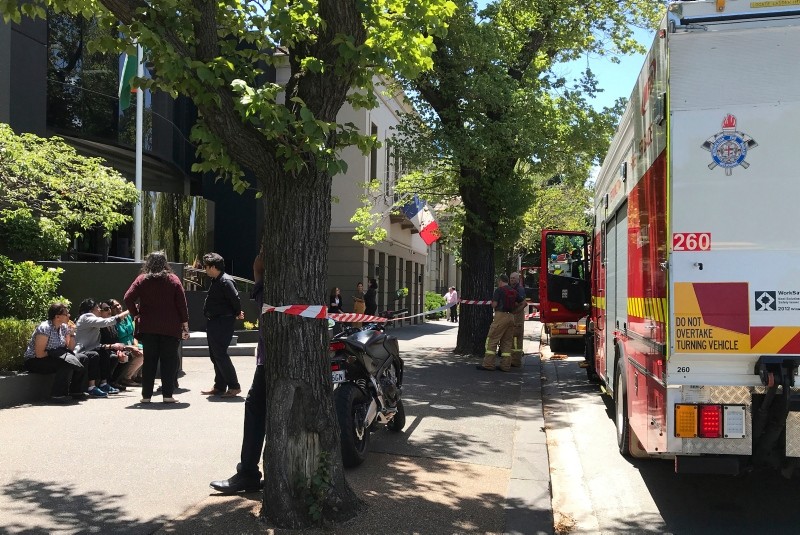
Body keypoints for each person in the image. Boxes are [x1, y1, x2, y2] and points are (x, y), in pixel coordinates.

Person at [210, 249, 267, 494]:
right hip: (275, 359)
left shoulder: (266, 289)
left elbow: (258, 267)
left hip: (269, 361)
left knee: (255, 407)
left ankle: (248, 473)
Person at [124, 250, 190, 404]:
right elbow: (182, 304)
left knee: (149, 362)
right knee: (169, 361)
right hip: (170, 328)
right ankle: (168, 395)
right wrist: (185, 325)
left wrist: (136, 314)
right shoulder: (173, 280)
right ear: (165, 263)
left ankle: (146, 396)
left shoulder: (142, 279)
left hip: (148, 328)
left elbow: (128, 297)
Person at [23, 303, 88, 403]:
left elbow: (70, 348)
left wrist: (72, 334)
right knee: (65, 362)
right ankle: (57, 395)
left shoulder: (64, 328)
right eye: (66, 314)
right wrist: (56, 354)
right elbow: (39, 354)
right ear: (57, 316)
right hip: (35, 360)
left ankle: (76, 391)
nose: (69, 316)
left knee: (82, 358)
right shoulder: (44, 328)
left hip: (55, 356)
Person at [201, 252, 244, 398]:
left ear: (213, 267)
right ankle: (219, 385)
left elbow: (235, 298)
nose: (205, 269)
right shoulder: (217, 280)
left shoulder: (226, 281)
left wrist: (238, 312)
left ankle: (234, 386)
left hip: (222, 322)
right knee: (215, 355)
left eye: (206, 267)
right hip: (215, 321)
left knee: (220, 354)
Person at [74, 298, 130, 397]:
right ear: (91, 311)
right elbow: (108, 321)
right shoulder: (86, 317)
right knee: (94, 355)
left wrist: (112, 347)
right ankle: (91, 387)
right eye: (97, 308)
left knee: (104, 352)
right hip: (82, 351)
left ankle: (103, 384)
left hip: (91, 348)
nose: (99, 310)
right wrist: (129, 311)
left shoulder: (93, 321)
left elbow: (97, 344)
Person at [477, 274, 517, 372]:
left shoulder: (499, 290)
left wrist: (492, 304)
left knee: (492, 339)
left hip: (500, 316)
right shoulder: (513, 291)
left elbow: (494, 304)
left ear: (500, 281)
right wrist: (515, 311)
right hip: (511, 317)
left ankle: (488, 364)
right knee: (507, 342)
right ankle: (505, 366)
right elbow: (523, 303)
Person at [103, 299, 144, 388]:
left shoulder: (128, 317)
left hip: (132, 343)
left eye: (118, 305)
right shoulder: (112, 322)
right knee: (141, 354)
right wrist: (131, 347)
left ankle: (136, 376)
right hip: (123, 346)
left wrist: (136, 345)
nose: (118, 307)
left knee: (148, 349)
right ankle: (126, 378)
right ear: (110, 309)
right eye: (115, 307)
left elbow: (133, 335)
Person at [508, 272, 528, 367]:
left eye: (514, 278)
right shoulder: (511, 288)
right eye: (511, 278)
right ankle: (512, 359)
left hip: (517, 316)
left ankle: (516, 360)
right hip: (512, 315)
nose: (512, 280)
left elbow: (523, 303)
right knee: (512, 337)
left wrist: (515, 312)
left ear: (518, 279)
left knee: (516, 338)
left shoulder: (520, 289)